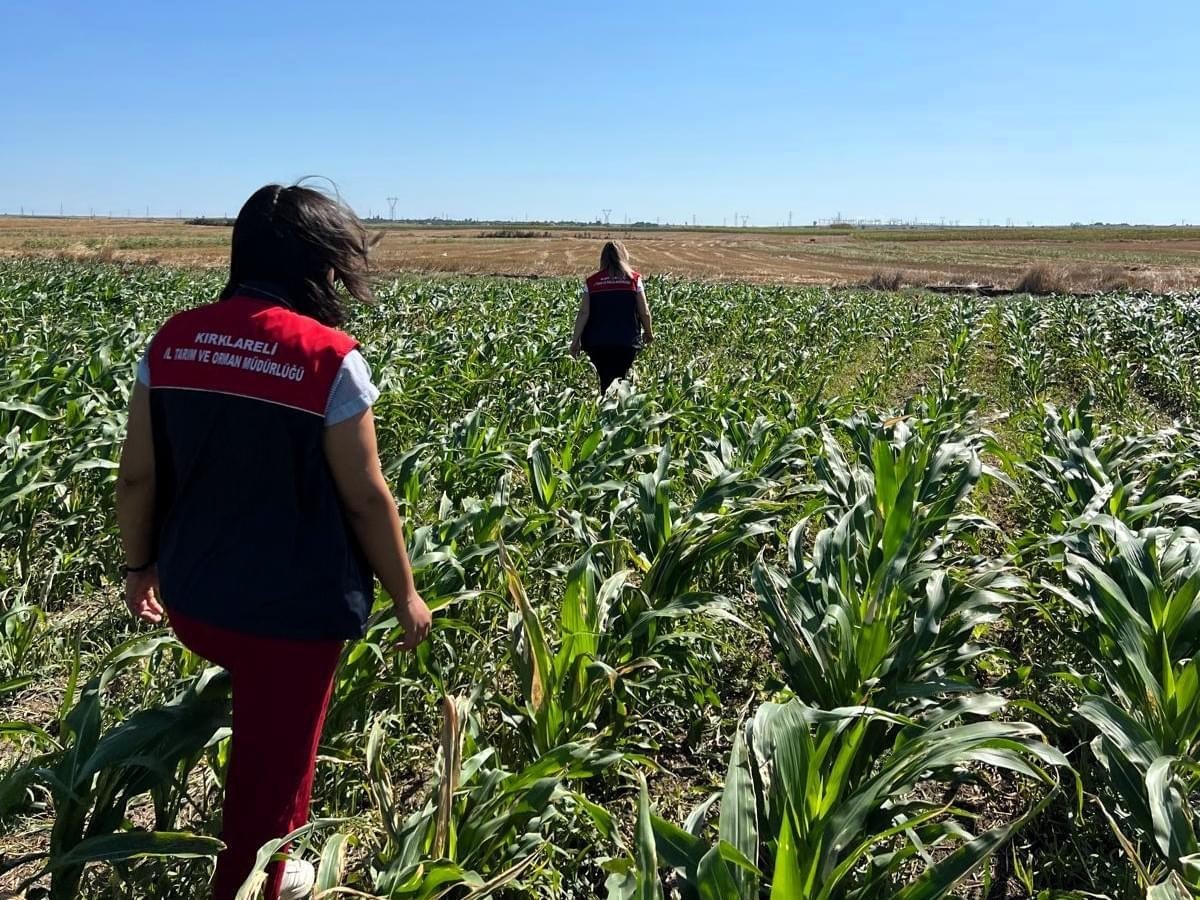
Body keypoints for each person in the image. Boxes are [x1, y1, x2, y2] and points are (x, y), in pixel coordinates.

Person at [116, 183, 432, 900]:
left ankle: (272, 869)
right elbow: (365, 496)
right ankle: (260, 882)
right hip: (289, 619)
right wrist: (406, 594)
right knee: (276, 776)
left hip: (195, 599)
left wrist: (139, 568)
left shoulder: (172, 341)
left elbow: (136, 477)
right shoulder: (328, 358)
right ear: (318, 266)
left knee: (264, 745)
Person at [569, 240, 654, 394]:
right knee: (620, 380)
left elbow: (583, 313)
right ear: (624, 256)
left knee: (605, 380)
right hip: (626, 341)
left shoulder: (592, 282)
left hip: (597, 343)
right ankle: (617, 412)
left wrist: (575, 341)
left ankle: (606, 408)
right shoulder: (634, 280)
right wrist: (649, 333)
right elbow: (644, 311)